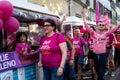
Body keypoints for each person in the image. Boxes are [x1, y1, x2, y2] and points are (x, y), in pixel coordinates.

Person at [82, 13, 120, 80]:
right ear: (97, 26)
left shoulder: (106, 34)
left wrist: (119, 24)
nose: (101, 26)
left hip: (103, 55)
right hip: (95, 54)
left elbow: (114, 29)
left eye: (103, 25)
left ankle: (101, 78)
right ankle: (100, 77)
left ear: (104, 26)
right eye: (100, 25)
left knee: (101, 69)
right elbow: (86, 26)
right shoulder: (93, 33)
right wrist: (84, 17)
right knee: (96, 68)